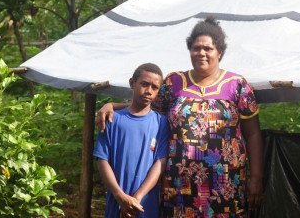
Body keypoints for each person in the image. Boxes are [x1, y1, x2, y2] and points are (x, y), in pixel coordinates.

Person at [96, 16, 264, 217]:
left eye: (208, 48)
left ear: (219, 52)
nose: (201, 52)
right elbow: (146, 108)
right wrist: (113, 105)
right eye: (196, 48)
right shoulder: (174, 82)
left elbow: (253, 134)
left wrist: (256, 177)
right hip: (179, 187)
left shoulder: (237, 85)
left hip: (226, 185)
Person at [93, 63, 169, 218]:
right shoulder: (112, 119)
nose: (149, 91)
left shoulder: (161, 123)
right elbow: (102, 160)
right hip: (116, 202)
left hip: (145, 205)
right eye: (144, 84)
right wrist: (120, 196)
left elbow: (160, 162)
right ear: (132, 83)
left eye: (154, 87)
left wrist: (136, 199)